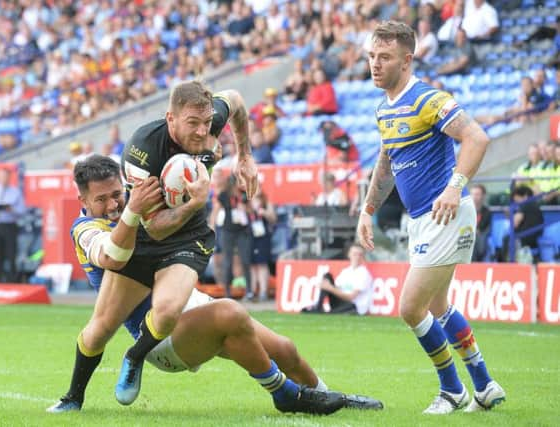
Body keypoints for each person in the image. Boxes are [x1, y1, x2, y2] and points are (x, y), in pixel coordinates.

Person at [47, 154, 381, 414]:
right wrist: (132, 213)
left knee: (285, 349)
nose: (112, 205)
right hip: (159, 338)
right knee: (231, 314)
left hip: (191, 307)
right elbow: (107, 254)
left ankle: (329, 397)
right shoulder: (86, 228)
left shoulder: (139, 203)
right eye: (101, 199)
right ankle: (284, 395)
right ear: (83, 201)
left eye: (117, 195)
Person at [356, 21, 505, 414]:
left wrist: (455, 186)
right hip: (424, 219)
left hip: (445, 215)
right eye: (371, 56)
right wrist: (367, 210)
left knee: (410, 308)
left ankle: (452, 389)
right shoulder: (384, 108)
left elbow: (477, 137)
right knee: (439, 306)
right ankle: (485, 385)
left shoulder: (427, 99)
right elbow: (386, 163)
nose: (374, 64)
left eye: (384, 57)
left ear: (407, 60)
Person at [96, 80, 260, 407]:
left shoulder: (209, 116)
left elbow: (238, 99)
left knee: (170, 311)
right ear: (170, 118)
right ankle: (76, 394)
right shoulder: (143, 150)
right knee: (98, 329)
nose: (202, 131)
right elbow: (155, 228)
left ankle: (134, 356)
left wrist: (245, 156)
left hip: (189, 236)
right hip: (148, 232)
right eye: (193, 124)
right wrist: (196, 202)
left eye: (207, 122)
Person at [303, 243, 373, 315]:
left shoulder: (364, 274)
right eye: (355, 254)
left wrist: (330, 288)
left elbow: (351, 297)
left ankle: (321, 310)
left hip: (354, 307)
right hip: (342, 302)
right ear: (349, 254)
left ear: (363, 257)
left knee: (343, 306)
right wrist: (327, 286)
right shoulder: (346, 272)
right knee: (327, 276)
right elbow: (337, 289)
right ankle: (318, 306)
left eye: (360, 255)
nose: (357, 257)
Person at [215, 173, 253, 299]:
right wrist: (212, 225)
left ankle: (249, 290)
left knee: (245, 260)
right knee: (228, 262)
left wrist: (245, 208)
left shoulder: (243, 195)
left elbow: (251, 211)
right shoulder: (224, 195)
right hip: (228, 230)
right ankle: (227, 291)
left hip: (242, 231)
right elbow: (217, 210)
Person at [470, 184, 491, 262]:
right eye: (472, 194)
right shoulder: (466, 211)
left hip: (480, 236)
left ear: (483, 196)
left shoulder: (486, 211)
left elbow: (482, 228)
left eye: (477, 194)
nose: (474, 197)